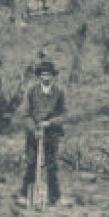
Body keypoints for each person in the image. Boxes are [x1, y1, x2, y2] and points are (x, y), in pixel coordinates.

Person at [20, 58, 66, 205]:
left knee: (51, 164)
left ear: (53, 76)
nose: (46, 77)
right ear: (39, 76)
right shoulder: (31, 91)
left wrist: (50, 123)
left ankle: (54, 197)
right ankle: (25, 195)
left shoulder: (59, 92)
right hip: (33, 132)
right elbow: (25, 113)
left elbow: (64, 114)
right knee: (31, 163)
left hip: (52, 133)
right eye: (43, 74)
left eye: (49, 75)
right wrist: (34, 129)